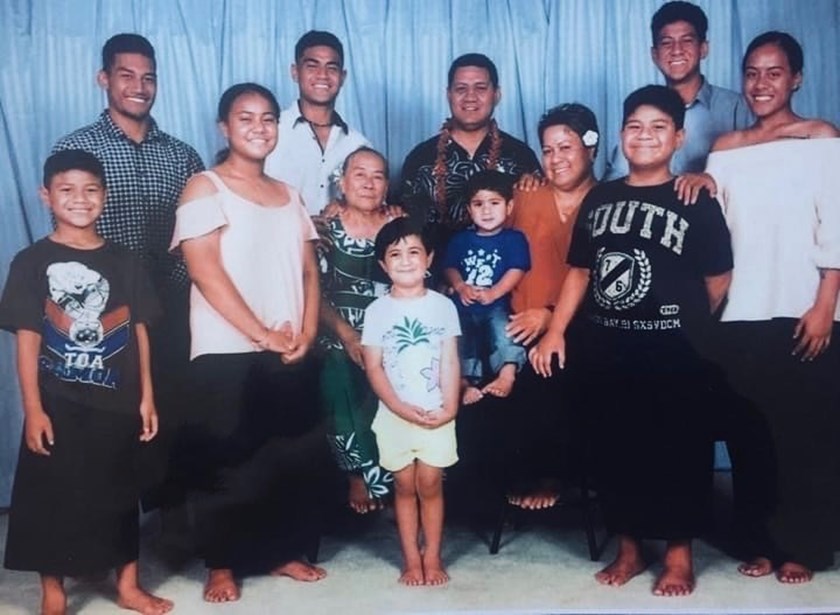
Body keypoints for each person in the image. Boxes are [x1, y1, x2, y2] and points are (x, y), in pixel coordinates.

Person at [531, 85, 733, 597]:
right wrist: (556, 331)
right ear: (621, 135)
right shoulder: (601, 197)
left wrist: (687, 324)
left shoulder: (694, 198)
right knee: (615, 446)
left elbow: (718, 278)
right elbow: (580, 271)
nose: (645, 136)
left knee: (679, 449)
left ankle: (679, 555)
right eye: (635, 127)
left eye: (658, 127)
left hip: (675, 351)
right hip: (608, 346)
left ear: (679, 137)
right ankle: (629, 547)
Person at [684, 31, 840, 584]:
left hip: (803, 306)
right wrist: (702, 181)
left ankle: (805, 546)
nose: (761, 83)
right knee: (750, 434)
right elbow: (718, 229)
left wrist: (826, 304)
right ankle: (760, 542)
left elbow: (836, 223)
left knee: (804, 434)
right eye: (752, 72)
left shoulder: (821, 137)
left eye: (774, 73)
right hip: (740, 310)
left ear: (797, 78)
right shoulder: (726, 147)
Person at [170, 83, 327, 603]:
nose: (259, 128)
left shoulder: (289, 194)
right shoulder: (204, 187)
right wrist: (262, 333)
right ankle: (221, 563)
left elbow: (308, 270)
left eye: (268, 118)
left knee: (285, 457)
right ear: (224, 127)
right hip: (226, 348)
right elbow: (205, 270)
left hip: (288, 345)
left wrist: (306, 332)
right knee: (227, 462)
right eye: (246, 118)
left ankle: (279, 551)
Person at [0, 150, 171, 615]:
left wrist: (147, 396)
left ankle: (128, 585)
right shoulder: (31, 261)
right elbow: (28, 339)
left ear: (105, 196)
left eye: (91, 190)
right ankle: (53, 591)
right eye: (67, 190)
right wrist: (33, 408)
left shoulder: (125, 260)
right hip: (57, 401)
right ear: (46, 196)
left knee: (120, 491)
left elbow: (139, 330)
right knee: (49, 495)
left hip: (117, 399)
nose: (80, 199)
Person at [52, 33, 205, 531]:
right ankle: (102, 531)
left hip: (172, 302)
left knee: (173, 409)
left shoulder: (182, 155)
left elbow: (200, 233)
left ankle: (171, 518)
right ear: (104, 79)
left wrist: (177, 289)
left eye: (148, 77)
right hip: (102, 312)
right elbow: (65, 239)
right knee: (105, 418)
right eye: (126, 75)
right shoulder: (76, 148)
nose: (139, 86)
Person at [503, 104, 600, 510]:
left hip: (575, 327)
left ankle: (550, 476)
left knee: (552, 371)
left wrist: (548, 316)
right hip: (512, 326)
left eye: (566, 147)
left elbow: (603, 279)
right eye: (547, 150)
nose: (555, 159)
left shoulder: (608, 201)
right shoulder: (525, 194)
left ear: (591, 148)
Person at [361, 218, 461, 586]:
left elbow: (450, 360)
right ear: (383, 265)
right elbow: (373, 366)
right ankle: (410, 558)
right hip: (395, 414)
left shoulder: (442, 307)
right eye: (395, 254)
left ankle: (432, 555)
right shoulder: (377, 311)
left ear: (429, 259)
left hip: (437, 410)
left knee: (431, 482)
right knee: (404, 485)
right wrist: (398, 407)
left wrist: (450, 407)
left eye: (414, 252)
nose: (405, 261)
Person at [399, 53, 540, 277]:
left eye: (480, 88)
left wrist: (535, 184)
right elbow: (400, 223)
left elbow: (538, 223)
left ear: (497, 94)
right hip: (432, 282)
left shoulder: (520, 156)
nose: (470, 97)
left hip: (503, 284)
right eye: (461, 89)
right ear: (448, 95)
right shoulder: (420, 158)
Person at [318, 146, 395, 513]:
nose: (368, 183)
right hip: (338, 330)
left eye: (378, 176)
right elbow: (313, 293)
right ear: (342, 183)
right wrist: (349, 335)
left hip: (390, 331)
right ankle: (357, 474)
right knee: (338, 368)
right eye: (360, 174)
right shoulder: (325, 229)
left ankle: (398, 476)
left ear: (387, 187)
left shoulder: (398, 228)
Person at [604, 1, 751, 180]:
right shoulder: (641, 113)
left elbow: (752, 173)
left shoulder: (736, 108)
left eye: (687, 41)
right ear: (654, 55)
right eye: (667, 43)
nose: (677, 51)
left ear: (703, 49)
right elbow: (617, 178)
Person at [443, 170, 529, 404]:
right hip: (463, 305)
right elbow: (450, 267)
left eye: (494, 203)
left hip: (496, 304)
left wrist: (494, 292)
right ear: (469, 210)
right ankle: (464, 382)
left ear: (509, 207)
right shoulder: (460, 239)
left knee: (505, 329)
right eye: (478, 204)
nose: (486, 211)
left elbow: (517, 269)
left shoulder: (514, 238)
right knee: (460, 337)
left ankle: (507, 373)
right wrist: (460, 286)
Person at [265, 30, 370, 215]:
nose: (323, 75)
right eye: (312, 66)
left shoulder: (358, 144)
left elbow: (372, 210)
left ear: (343, 77)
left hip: (340, 236)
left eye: (332, 68)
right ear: (295, 72)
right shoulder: (269, 133)